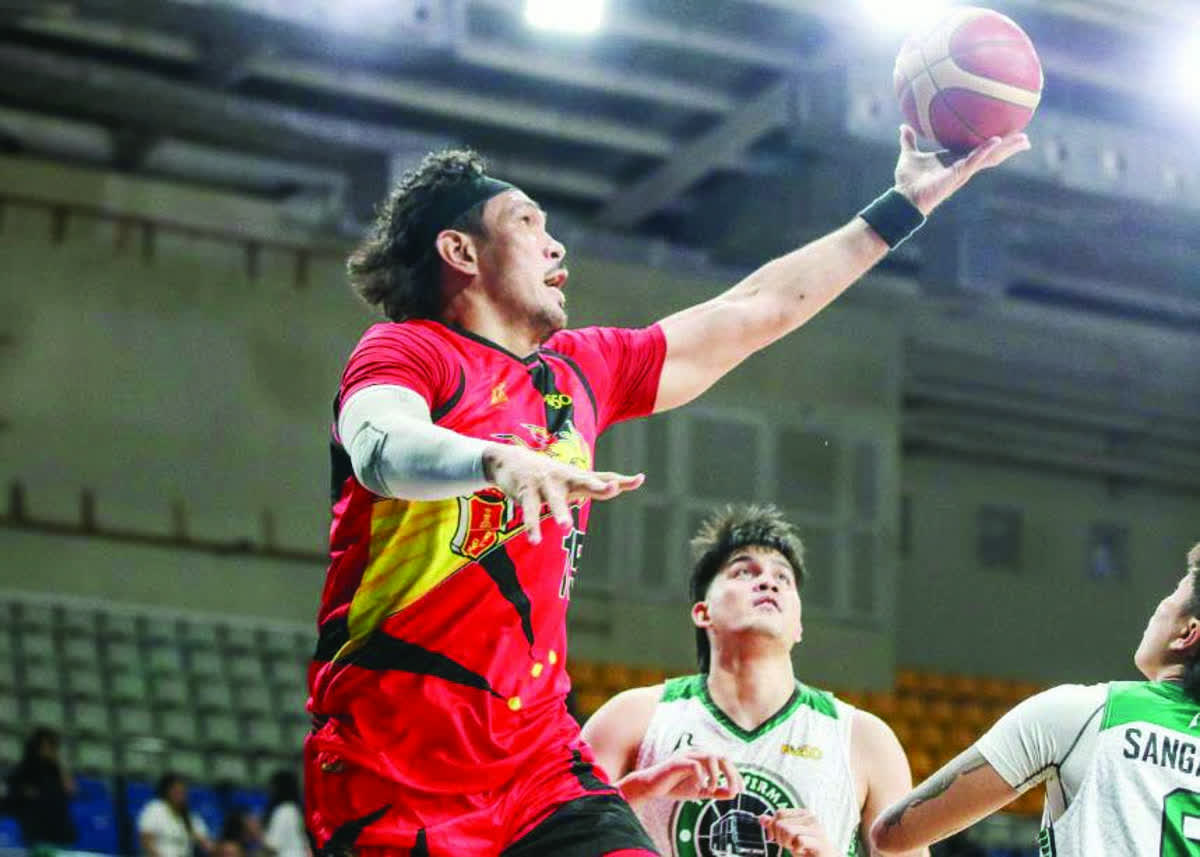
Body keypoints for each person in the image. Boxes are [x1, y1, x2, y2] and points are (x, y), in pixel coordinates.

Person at [307, 126, 1029, 856]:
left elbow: (755, 308)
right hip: (392, 759)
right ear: (460, 251)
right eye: (528, 224)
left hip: (535, 762)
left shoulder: (579, 370)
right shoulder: (408, 349)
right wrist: (498, 463)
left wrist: (904, 203)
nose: (556, 246)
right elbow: (379, 446)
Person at [582, 505, 927, 857]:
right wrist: (635, 793)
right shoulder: (630, 719)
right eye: (744, 572)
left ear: (799, 626)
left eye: (783, 578)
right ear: (703, 611)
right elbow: (550, 842)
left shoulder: (866, 741)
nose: (767, 582)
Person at [869, 542, 1200, 856]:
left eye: (1169, 598)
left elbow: (894, 834)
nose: (1159, 609)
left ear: (1187, 633)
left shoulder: (1083, 714)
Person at [4, 726, 75, 851]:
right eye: (46, 746)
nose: (49, 750)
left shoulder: (56, 769)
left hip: (59, 828)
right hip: (37, 829)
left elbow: (69, 789)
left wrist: (58, 763)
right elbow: (16, 793)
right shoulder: (24, 769)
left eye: (52, 746)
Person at [138, 772, 213, 857]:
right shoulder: (155, 809)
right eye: (176, 790)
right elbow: (146, 841)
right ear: (167, 791)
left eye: (182, 790)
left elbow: (205, 842)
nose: (180, 794)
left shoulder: (190, 816)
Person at [262, 771, 309, 857]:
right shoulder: (296, 809)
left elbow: (273, 845)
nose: (269, 791)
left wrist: (256, 833)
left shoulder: (283, 811)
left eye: (272, 787)